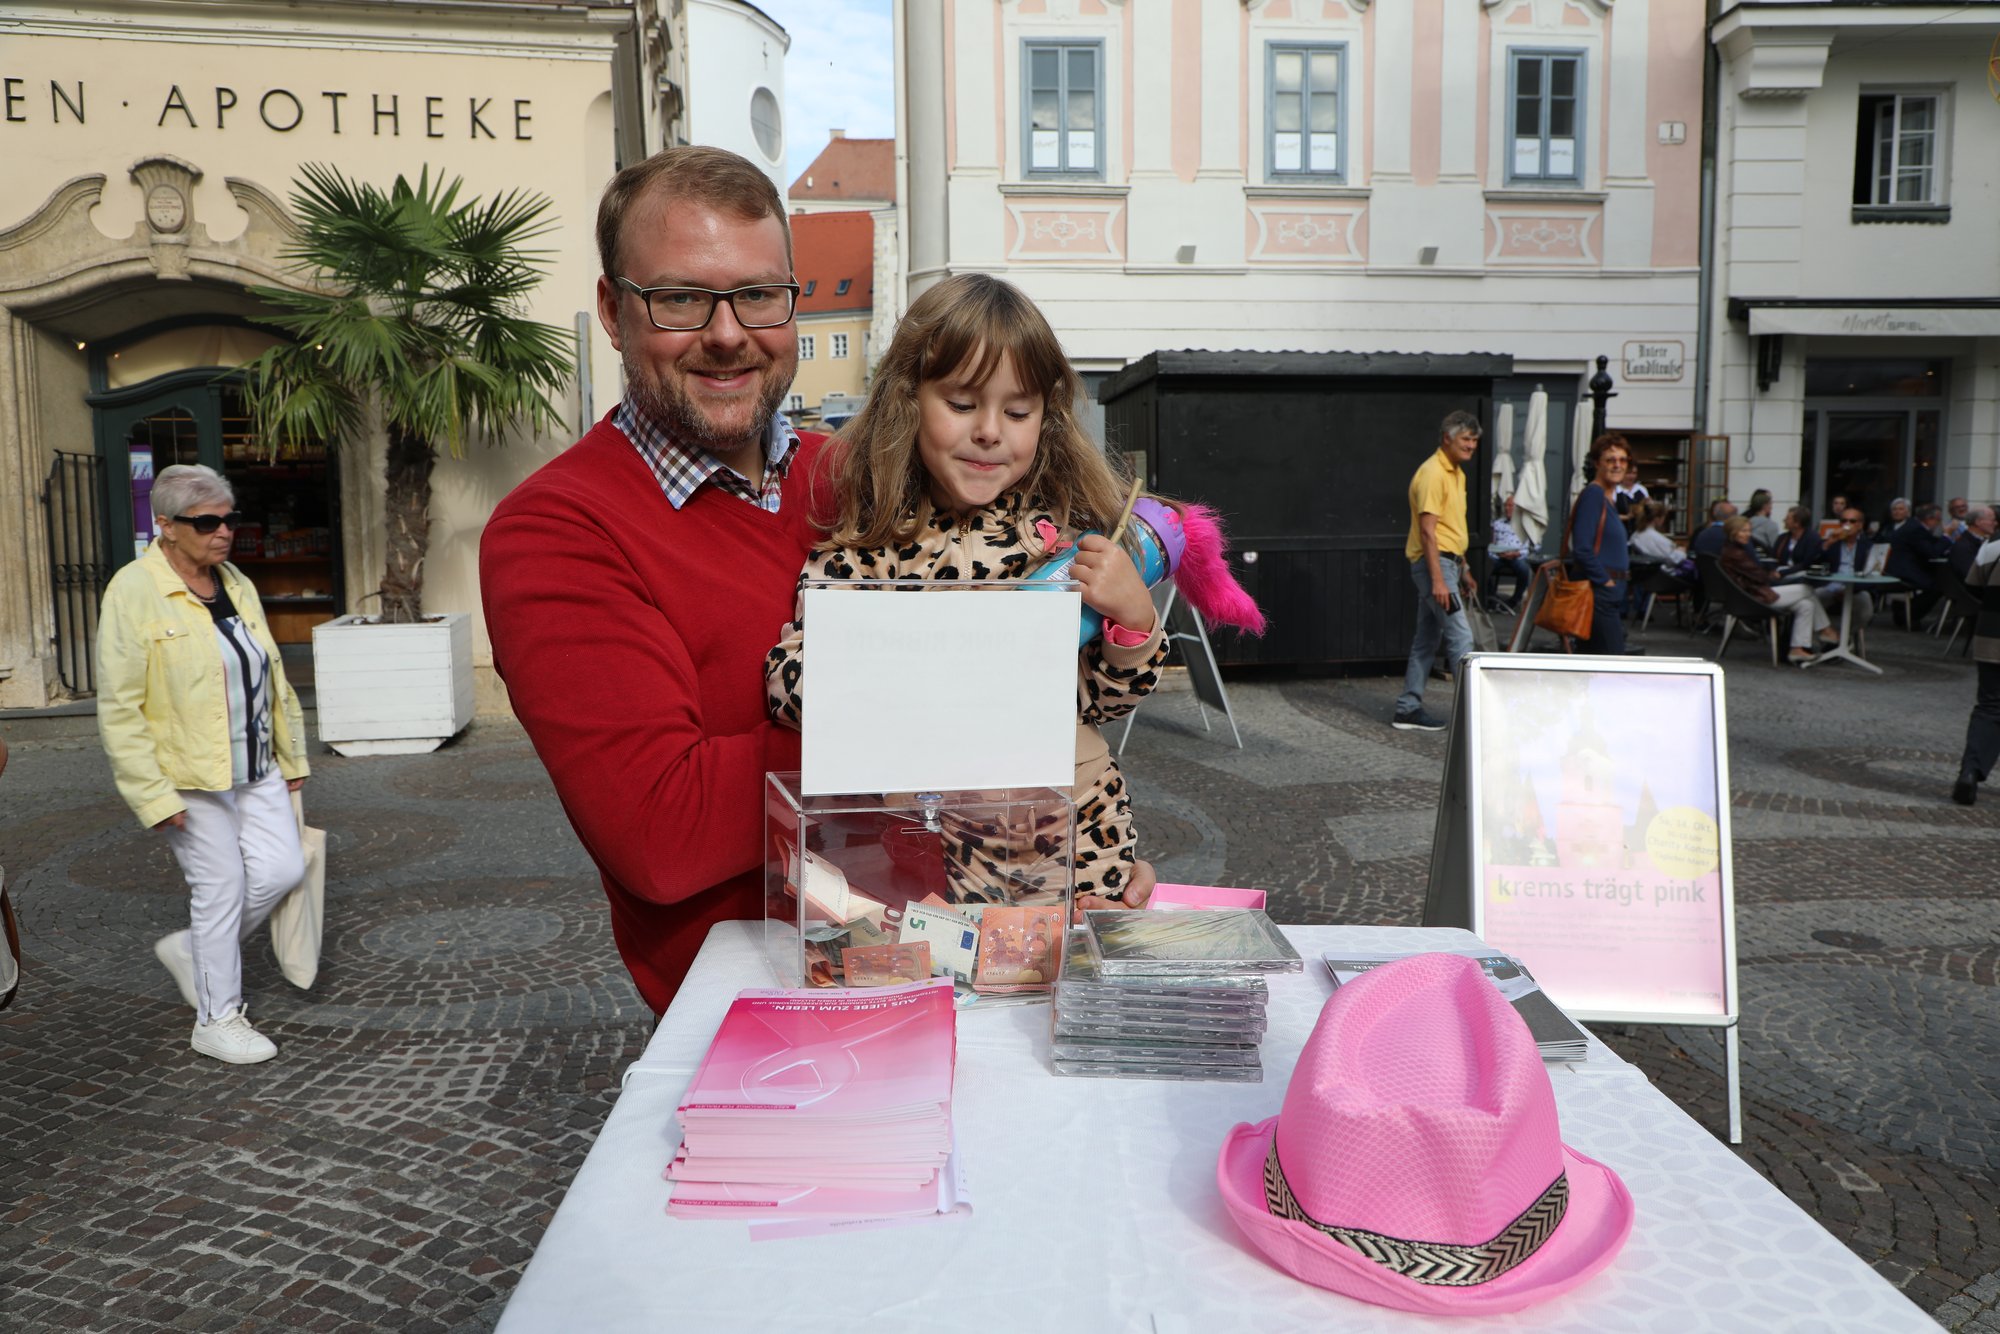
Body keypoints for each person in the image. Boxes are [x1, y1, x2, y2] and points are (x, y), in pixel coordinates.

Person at [480, 146, 827, 1016]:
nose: (728, 333)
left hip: (968, 952)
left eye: (759, 294)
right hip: (758, 1014)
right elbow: (662, 832)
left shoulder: (859, 476)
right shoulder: (556, 529)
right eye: (680, 298)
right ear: (613, 310)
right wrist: (940, 713)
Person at [764, 273, 1171, 904]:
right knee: (949, 968)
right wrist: (900, 663)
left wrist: (1133, 625)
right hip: (935, 851)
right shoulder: (865, 548)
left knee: (1077, 970)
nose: (989, 430)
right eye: (961, 404)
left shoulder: (1062, 544)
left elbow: (1098, 702)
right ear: (908, 400)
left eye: (1017, 412)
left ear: (1047, 419)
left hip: (1077, 839)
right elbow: (787, 689)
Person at [95, 464, 309, 1063]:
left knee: (282, 870)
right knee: (221, 888)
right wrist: (151, 795)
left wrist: (291, 753)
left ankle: (194, 950)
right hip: (187, 774)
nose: (224, 532)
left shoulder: (234, 581)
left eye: (229, 519)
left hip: (257, 762)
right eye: (207, 522)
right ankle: (217, 1019)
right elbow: (119, 706)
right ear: (166, 525)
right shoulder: (133, 591)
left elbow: (270, 673)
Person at [1393, 411, 1480, 731]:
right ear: (1447, 438)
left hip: (1446, 564)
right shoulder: (1433, 473)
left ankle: (1407, 708)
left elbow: (1450, 528)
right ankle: (1472, 717)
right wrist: (1439, 580)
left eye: (1474, 440)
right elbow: (1428, 532)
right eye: (1466, 439)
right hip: (1435, 565)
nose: (1471, 445)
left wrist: (1463, 568)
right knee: (1461, 637)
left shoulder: (1456, 473)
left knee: (1426, 639)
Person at [1717, 515, 1837, 664]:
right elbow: (1760, 577)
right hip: (1755, 597)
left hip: (1750, 595)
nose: (1748, 534)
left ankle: (1797, 649)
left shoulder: (1732, 550)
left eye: (1749, 530)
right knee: (1807, 589)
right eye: (1744, 531)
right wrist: (1773, 574)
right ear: (1733, 532)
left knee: (1806, 605)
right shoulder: (1737, 553)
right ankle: (1825, 630)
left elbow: (1755, 574)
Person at [1568, 434, 1632, 654]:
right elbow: (1582, 548)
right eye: (1610, 460)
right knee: (1613, 663)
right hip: (1598, 593)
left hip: (1606, 592)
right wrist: (1605, 582)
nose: (1617, 465)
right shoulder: (1594, 495)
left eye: (1622, 460)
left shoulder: (1607, 498)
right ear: (1597, 463)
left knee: (1596, 663)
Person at [1951, 530, 2000, 806]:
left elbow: (1972, 585)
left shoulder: (1994, 543)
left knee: (1990, 705)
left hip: (1993, 634)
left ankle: (1969, 772)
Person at [1885, 502, 1954, 626]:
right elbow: (1932, 552)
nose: (1939, 523)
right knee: (1938, 586)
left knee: (1937, 580)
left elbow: (1929, 544)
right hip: (1904, 571)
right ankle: (1908, 615)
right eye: (1938, 520)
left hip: (1906, 567)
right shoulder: (1916, 530)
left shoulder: (1914, 526)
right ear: (1930, 519)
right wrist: (1947, 536)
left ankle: (1903, 610)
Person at [1816, 506, 1878, 628]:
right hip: (1831, 586)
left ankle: (1849, 635)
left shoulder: (1868, 546)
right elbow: (1814, 562)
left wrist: (1850, 590)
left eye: (1852, 521)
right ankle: (1827, 633)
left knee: (1865, 610)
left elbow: (1873, 576)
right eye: (1844, 521)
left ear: (1860, 525)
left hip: (1856, 589)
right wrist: (1828, 543)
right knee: (1811, 601)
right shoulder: (1832, 543)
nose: (1847, 524)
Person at [1485, 493, 1538, 610]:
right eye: (1506, 505)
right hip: (1498, 556)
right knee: (1484, 566)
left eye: (1510, 506)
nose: (1507, 508)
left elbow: (1536, 547)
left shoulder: (1526, 525)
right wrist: (1495, 551)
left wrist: (1517, 553)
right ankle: (1492, 599)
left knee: (1524, 569)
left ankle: (1513, 601)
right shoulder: (1498, 523)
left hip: (1517, 556)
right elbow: (1491, 543)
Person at [1950, 504, 1996, 581]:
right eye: (1992, 520)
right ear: (1978, 522)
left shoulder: (1983, 542)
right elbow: (1970, 576)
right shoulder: (1963, 546)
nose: (1995, 523)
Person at [1772, 505, 1823, 571]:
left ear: (1797, 523)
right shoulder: (1782, 538)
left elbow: (1806, 563)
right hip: (1780, 572)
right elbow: (1774, 557)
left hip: (1802, 574)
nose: (1784, 520)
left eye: (1788, 518)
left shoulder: (1812, 539)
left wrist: (1783, 573)